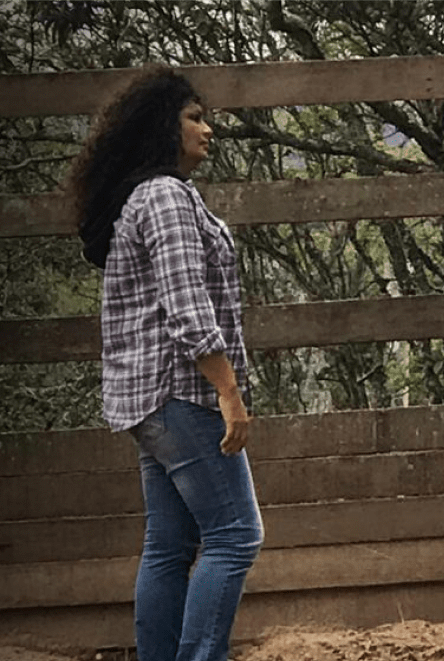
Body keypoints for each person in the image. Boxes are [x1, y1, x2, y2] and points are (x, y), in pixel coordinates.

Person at [70, 66, 262, 661]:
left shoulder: (142, 198)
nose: (208, 131)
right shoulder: (167, 197)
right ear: (165, 125)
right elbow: (186, 305)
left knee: (170, 546)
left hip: (145, 404)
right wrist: (228, 391)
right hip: (182, 396)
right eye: (195, 118)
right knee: (235, 536)